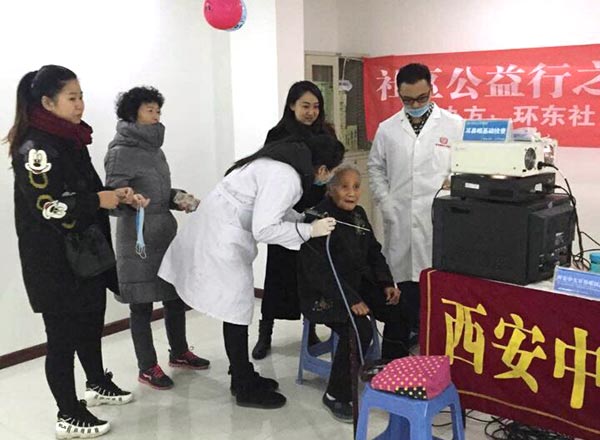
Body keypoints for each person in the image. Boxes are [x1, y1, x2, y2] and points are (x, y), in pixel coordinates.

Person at [158, 134, 345, 409]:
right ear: (322, 168)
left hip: (220, 229)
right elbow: (265, 228)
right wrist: (309, 231)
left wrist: (302, 219)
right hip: (221, 238)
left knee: (236, 309)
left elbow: (272, 208)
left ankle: (242, 373)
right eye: (332, 172)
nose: (329, 178)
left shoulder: (278, 163)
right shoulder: (287, 177)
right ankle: (243, 385)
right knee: (236, 309)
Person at [6, 65, 135, 439]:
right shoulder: (36, 149)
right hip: (54, 261)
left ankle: (96, 382)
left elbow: (88, 190)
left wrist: (115, 196)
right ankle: (68, 413)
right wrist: (98, 200)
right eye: (72, 97)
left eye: (81, 96)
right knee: (62, 338)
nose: (80, 104)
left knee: (91, 322)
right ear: (48, 102)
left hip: (87, 253)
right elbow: (49, 207)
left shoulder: (70, 138)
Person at [104, 86, 210, 391]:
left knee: (174, 297)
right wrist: (129, 199)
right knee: (141, 304)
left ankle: (179, 352)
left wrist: (179, 198)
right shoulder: (120, 151)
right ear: (132, 113)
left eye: (158, 110)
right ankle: (147, 367)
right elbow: (113, 198)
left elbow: (158, 192)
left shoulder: (155, 149)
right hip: (137, 239)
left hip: (163, 233)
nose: (156, 115)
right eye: (149, 110)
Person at [367, 63, 464, 350]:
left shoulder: (454, 125)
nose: (415, 105)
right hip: (399, 218)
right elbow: (375, 168)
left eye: (422, 98)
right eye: (408, 100)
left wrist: (454, 183)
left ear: (431, 90)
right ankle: (396, 349)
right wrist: (386, 202)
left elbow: (466, 166)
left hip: (438, 220)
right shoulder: (388, 129)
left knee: (434, 286)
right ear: (399, 94)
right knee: (402, 287)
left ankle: (431, 347)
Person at [297, 166, 405, 422]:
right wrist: (351, 299)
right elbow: (318, 271)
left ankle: (390, 373)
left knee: (399, 309)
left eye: (356, 187)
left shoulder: (358, 215)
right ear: (331, 189)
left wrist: (386, 282)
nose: (352, 193)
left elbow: (373, 252)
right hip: (324, 292)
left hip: (356, 285)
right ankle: (336, 394)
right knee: (359, 328)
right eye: (344, 187)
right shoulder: (316, 219)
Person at [252, 80, 336, 360]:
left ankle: (309, 330)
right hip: (282, 212)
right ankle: (265, 332)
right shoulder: (278, 135)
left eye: (316, 106)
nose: (311, 112)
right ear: (291, 106)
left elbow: (330, 168)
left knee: (310, 276)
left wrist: (323, 185)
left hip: (314, 209)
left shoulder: (325, 133)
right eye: (305, 106)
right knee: (278, 276)